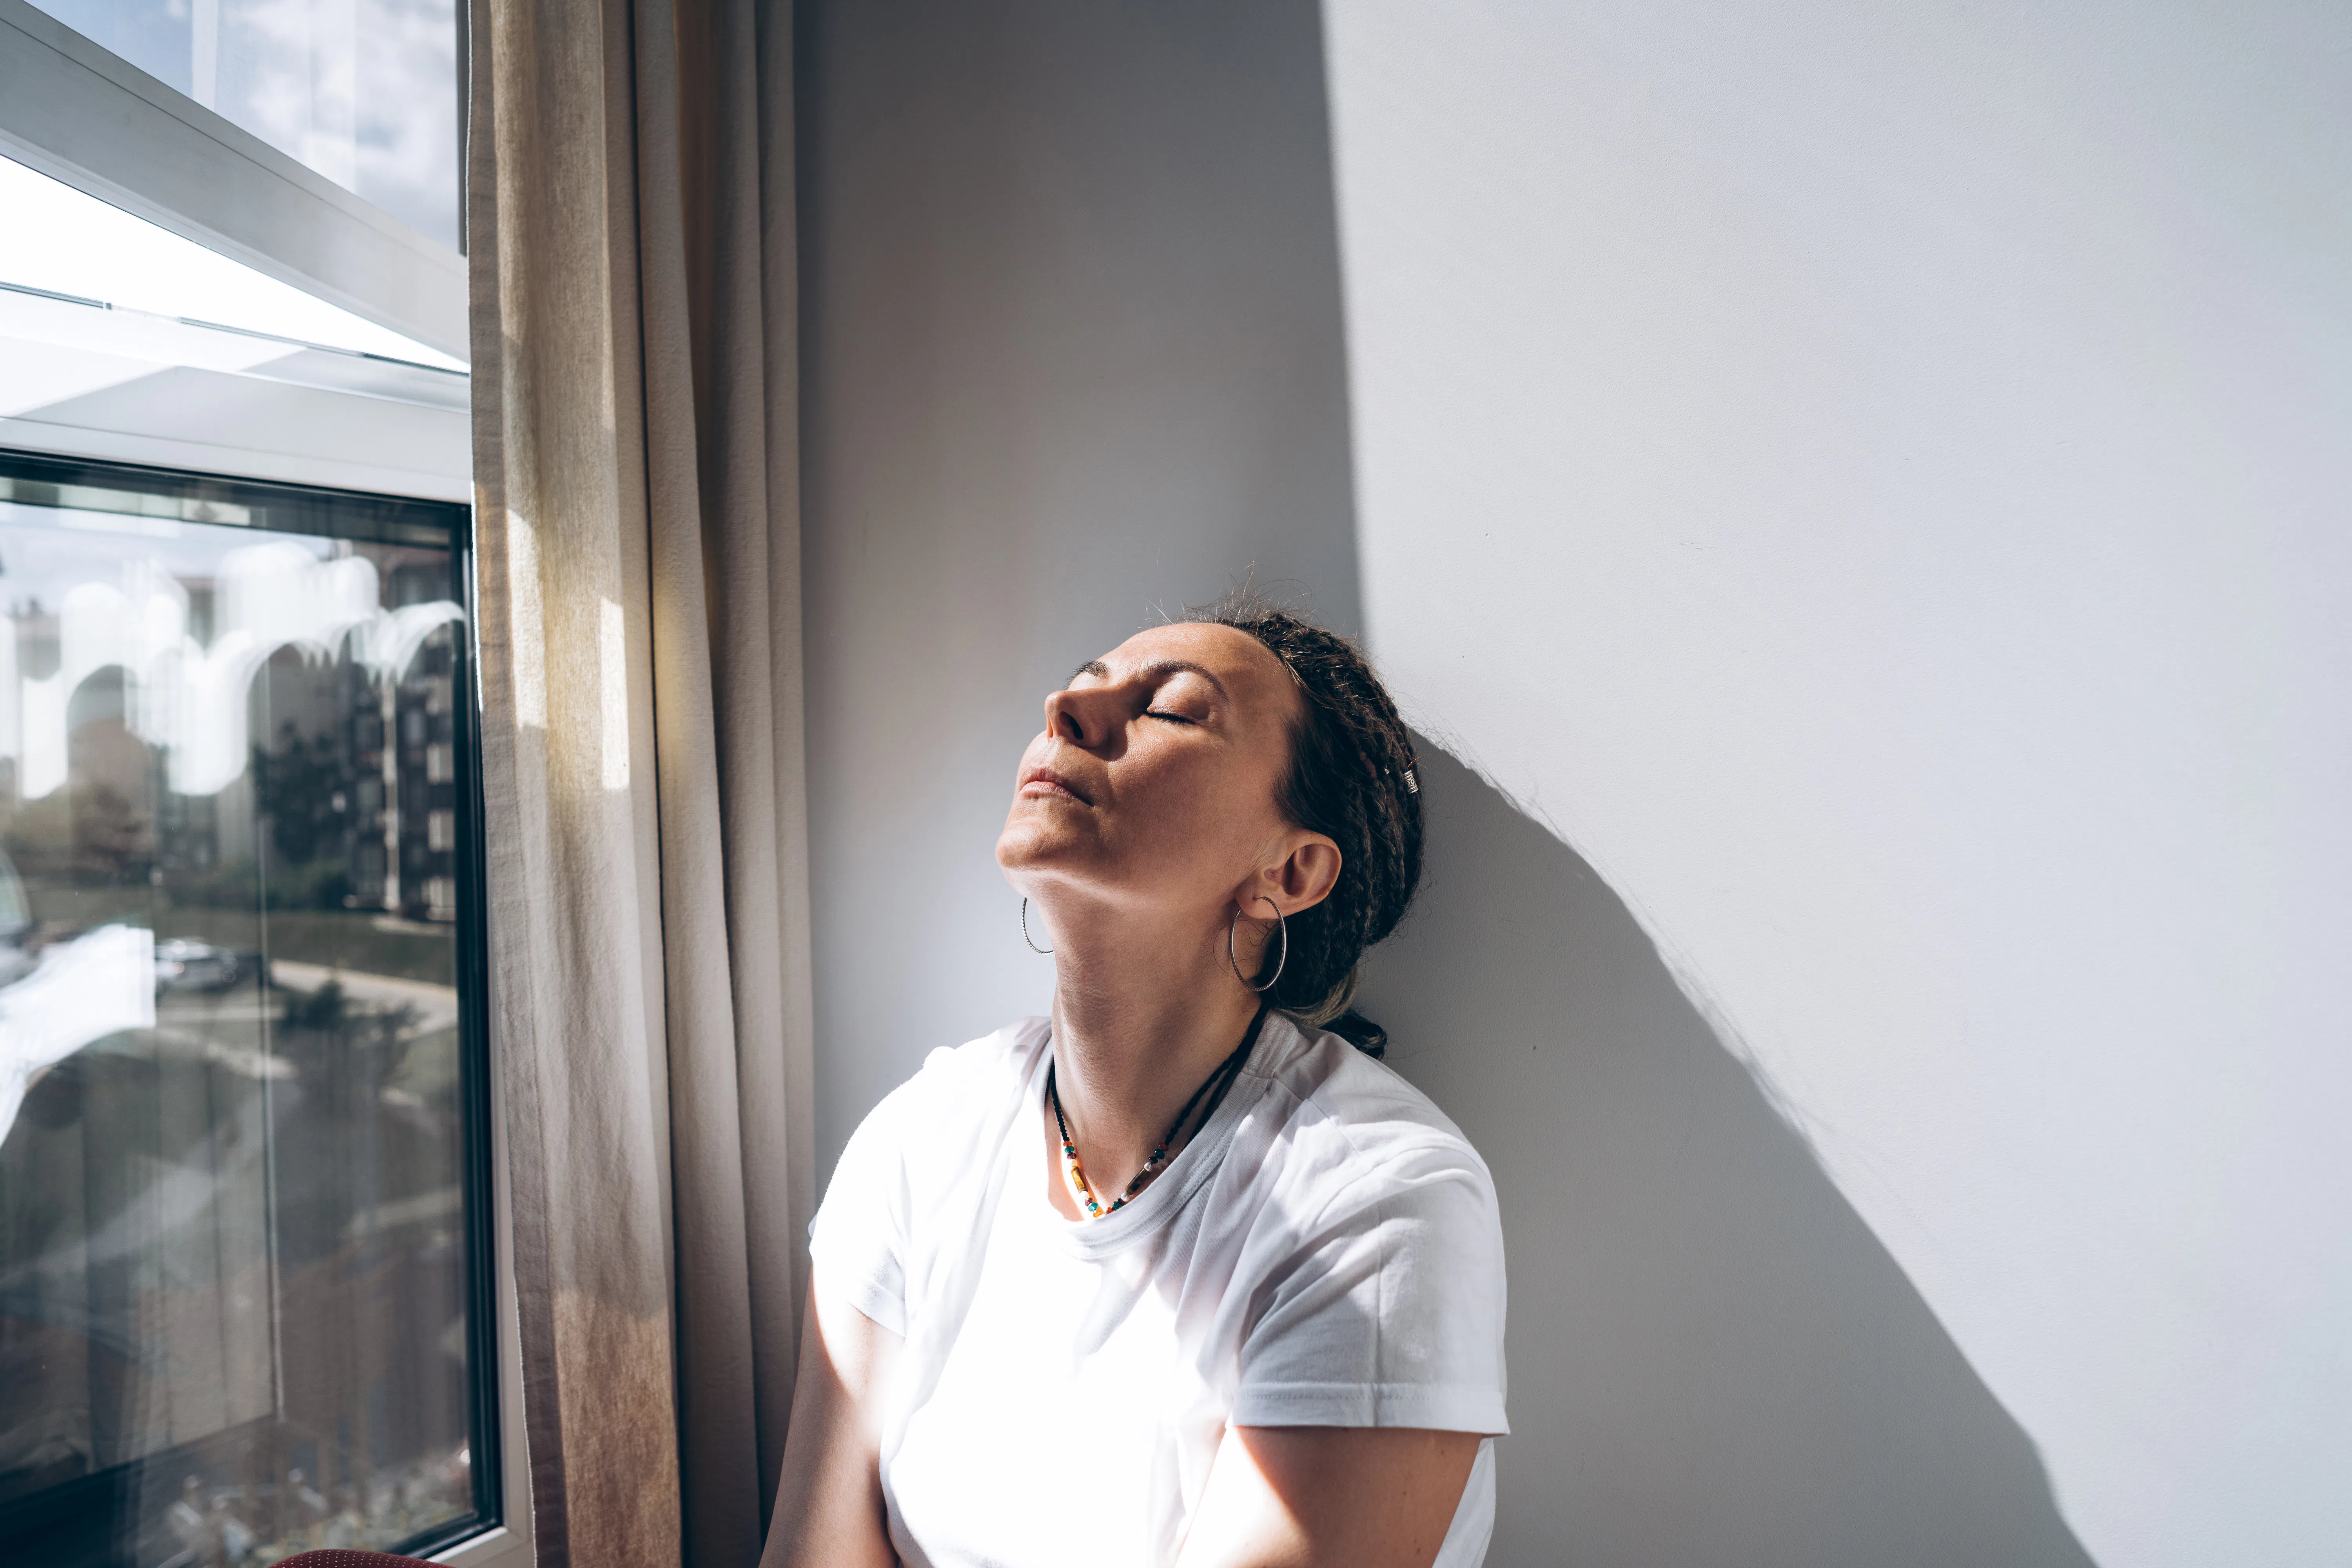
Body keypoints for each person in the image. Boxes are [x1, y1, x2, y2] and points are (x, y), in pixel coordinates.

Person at [768, 598, 1508, 1568]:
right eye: (1083, 678)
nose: (1067, 705)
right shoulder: (925, 1134)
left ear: (1289, 869)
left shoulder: (1380, 1203)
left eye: (1171, 707)